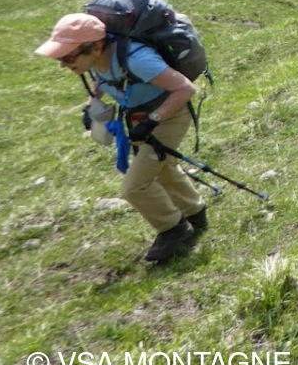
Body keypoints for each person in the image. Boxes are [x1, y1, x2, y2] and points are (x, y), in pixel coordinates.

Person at [34, 13, 208, 263]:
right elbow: (104, 79)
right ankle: (195, 212)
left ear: (95, 46)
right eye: (60, 58)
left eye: (68, 57)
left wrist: (152, 120)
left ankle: (173, 227)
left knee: (133, 187)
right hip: (140, 117)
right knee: (163, 168)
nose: (63, 64)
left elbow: (185, 89)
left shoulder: (137, 60)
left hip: (169, 115)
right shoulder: (98, 59)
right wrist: (92, 105)